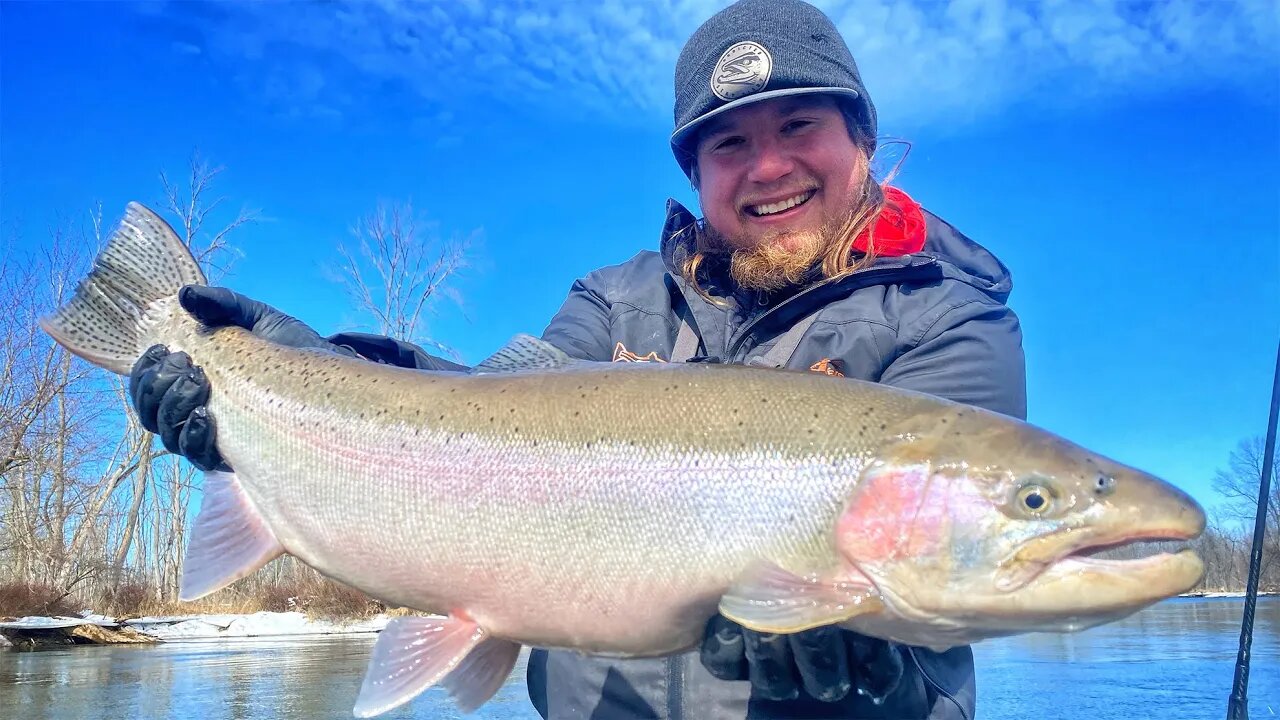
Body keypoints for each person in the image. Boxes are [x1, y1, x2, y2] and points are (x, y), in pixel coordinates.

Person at [129, 0, 1025, 717]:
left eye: (799, 126)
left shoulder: (950, 320)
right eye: (730, 142)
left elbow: (954, 579)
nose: (768, 166)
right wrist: (305, 371)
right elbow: (486, 417)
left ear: (862, 141)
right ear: (696, 174)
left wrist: (877, 688)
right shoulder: (614, 299)